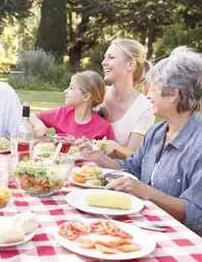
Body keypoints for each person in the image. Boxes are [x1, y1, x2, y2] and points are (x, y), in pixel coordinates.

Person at [79, 47, 202, 235]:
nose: (147, 95)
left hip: (181, 238)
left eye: (152, 88)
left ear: (173, 95)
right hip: (144, 226)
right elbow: (131, 169)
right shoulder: (156, 133)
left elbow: (193, 212)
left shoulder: (198, 145)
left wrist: (146, 192)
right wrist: (99, 158)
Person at [100, 38, 155, 158]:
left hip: (118, 173)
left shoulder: (145, 107)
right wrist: (47, 122)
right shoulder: (98, 94)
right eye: (105, 57)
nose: (104, 62)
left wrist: (114, 147)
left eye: (111, 57)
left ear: (130, 64)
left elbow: (134, 154)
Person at [29, 70, 115, 141]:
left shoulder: (103, 127)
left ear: (86, 97)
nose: (65, 91)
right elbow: (32, 115)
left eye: (71, 88)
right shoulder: (61, 114)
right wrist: (38, 125)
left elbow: (110, 154)